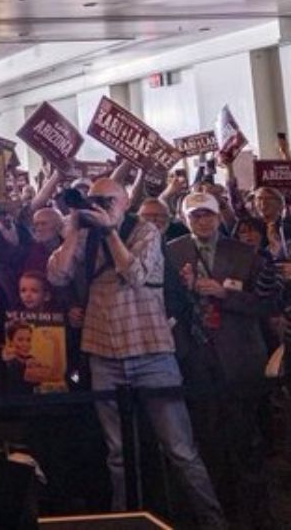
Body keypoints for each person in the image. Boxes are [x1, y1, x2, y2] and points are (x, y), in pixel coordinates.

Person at [47, 178, 226, 528]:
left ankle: (213, 521)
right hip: (103, 353)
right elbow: (56, 275)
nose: (100, 206)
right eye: (94, 200)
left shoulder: (145, 231)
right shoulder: (84, 234)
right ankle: (124, 521)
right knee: (117, 455)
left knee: (180, 450)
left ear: (126, 201)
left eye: (107, 200)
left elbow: (136, 273)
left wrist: (111, 232)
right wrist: (72, 230)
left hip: (150, 351)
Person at [164, 193, 277, 529]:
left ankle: (257, 515)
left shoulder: (244, 252)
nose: (203, 221)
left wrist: (224, 294)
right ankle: (217, 512)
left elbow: (268, 303)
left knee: (246, 439)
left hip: (239, 358)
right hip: (195, 358)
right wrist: (186, 293)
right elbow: (166, 301)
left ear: (218, 216)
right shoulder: (171, 252)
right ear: (184, 218)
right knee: (207, 438)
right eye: (195, 216)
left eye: (208, 215)